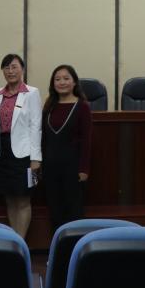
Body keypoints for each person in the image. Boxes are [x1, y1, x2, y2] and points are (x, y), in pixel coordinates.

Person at [0, 53, 42, 238]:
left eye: (14, 67)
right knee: (10, 199)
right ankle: (15, 238)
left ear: (22, 69)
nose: (10, 71)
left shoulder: (32, 93)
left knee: (23, 200)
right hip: (2, 153)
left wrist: (36, 158)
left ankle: (21, 241)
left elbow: (36, 126)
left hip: (24, 154)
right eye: (6, 67)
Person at [42, 63, 93, 233]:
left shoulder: (82, 106)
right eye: (57, 79)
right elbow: (44, 138)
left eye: (66, 78)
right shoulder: (49, 105)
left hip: (73, 168)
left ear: (74, 82)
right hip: (50, 167)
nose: (61, 82)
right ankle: (57, 247)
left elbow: (86, 140)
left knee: (73, 212)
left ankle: (74, 248)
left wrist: (84, 169)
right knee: (55, 211)